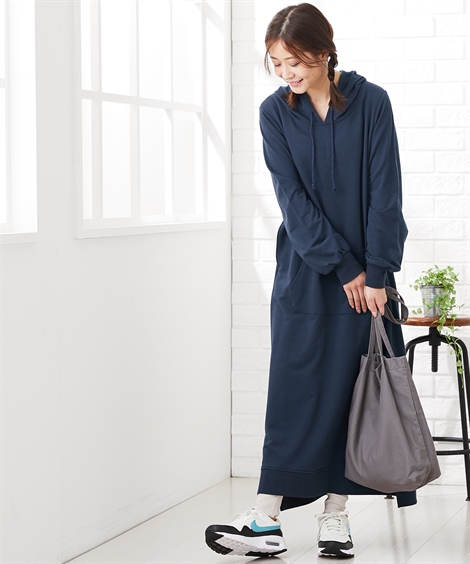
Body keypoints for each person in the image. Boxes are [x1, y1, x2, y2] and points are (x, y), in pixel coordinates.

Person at [205, 3, 415, 559]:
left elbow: (385, 191)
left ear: (323, 51)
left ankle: (335, 517)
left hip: (371, 279)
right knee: (294, 389)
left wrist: (376, 272)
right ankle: (266, 515)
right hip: (307, 270)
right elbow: (291, 199)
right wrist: (343, 267)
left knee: (353, 391)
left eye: (293, 61)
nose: (285, 73)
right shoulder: (274, 114)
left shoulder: (372, 102)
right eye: (276, 64)